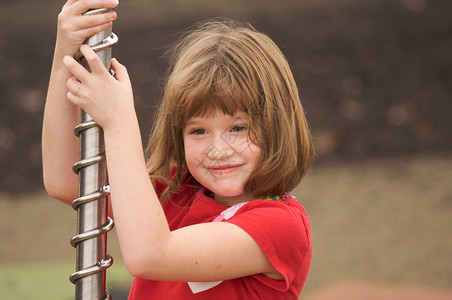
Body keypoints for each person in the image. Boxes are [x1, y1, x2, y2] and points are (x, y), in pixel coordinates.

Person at [42, 0, 316, 298]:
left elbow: (151, 255)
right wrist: (64, 58)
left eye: (238, 128)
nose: (219, 149)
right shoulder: (174, 191)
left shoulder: (280, 226)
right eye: (198, 130)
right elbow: (67, 182)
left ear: (277, 125)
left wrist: (119, 121)